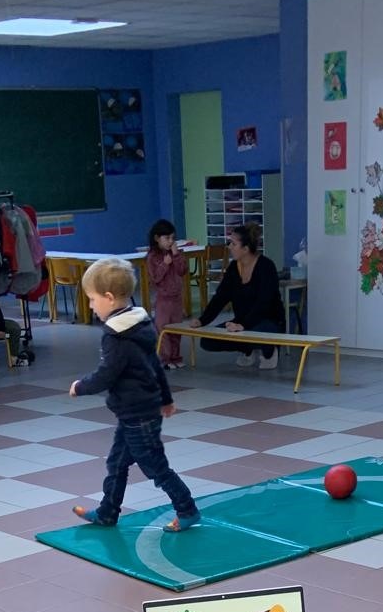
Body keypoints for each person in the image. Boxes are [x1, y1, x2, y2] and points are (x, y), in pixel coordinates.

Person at [68, 257, 202, 532]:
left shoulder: (115, 335)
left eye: (92, 300)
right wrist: (166, 398)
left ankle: (187, 509)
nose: (91, 306)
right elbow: (155, 365)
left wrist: (80, 386)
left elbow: (107, 374)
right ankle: (107, 512)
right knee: (117, 463)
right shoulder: (141, 323)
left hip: (138, 414)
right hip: (136, 412)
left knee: (155, 467)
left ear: (109, 298)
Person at [183, 223, 285, 369]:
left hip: (268, 321)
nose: (229, 247)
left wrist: (243, 325)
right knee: (208, 341)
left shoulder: (266, 266)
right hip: (242, 320)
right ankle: (248, 349)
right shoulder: (233, 268)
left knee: (254, 332)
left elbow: (264, 304)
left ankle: (269, 350)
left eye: (233, 244)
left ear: (245, 249)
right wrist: (202, 320)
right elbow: (220, 298)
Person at [146, 218, 188, 369]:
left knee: (177, 329)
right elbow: (155, 278)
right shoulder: (152, 256)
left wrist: (176, 256)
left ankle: (176, 357)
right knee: (164, 329)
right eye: (167, 238)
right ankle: (165, 359)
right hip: (163, 300)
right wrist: (165, 264)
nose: (171, 241)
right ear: (157, 238)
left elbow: (182, 271)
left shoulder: (175, 253)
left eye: (173, 238)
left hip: (177, 298)